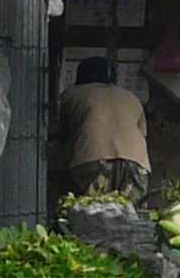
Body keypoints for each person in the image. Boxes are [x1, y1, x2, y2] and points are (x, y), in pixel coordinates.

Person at [54, 58, 150, 204]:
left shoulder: (69, 95)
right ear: (112, 81)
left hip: (92, 161)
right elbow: (143, 134)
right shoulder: (131, 97)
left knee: (91, 212)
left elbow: (59, 136)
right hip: (136, 163)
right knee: (130, 214)